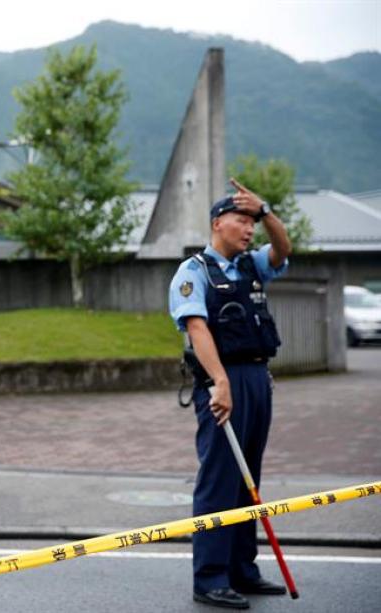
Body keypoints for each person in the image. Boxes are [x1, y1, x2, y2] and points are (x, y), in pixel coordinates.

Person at [168, 179, 292, 610]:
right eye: (242, 221)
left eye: (252, 222)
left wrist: (266, 210)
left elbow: (284, 249)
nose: (250, 230)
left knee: (248, 479)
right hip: (223, 381)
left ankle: (243, 569)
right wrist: (220, 381)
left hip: (257, 379)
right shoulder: (195, 271)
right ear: (218, 223)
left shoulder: (252, 266)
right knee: (220, 479)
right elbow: (197, 328)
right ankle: (211, 576)